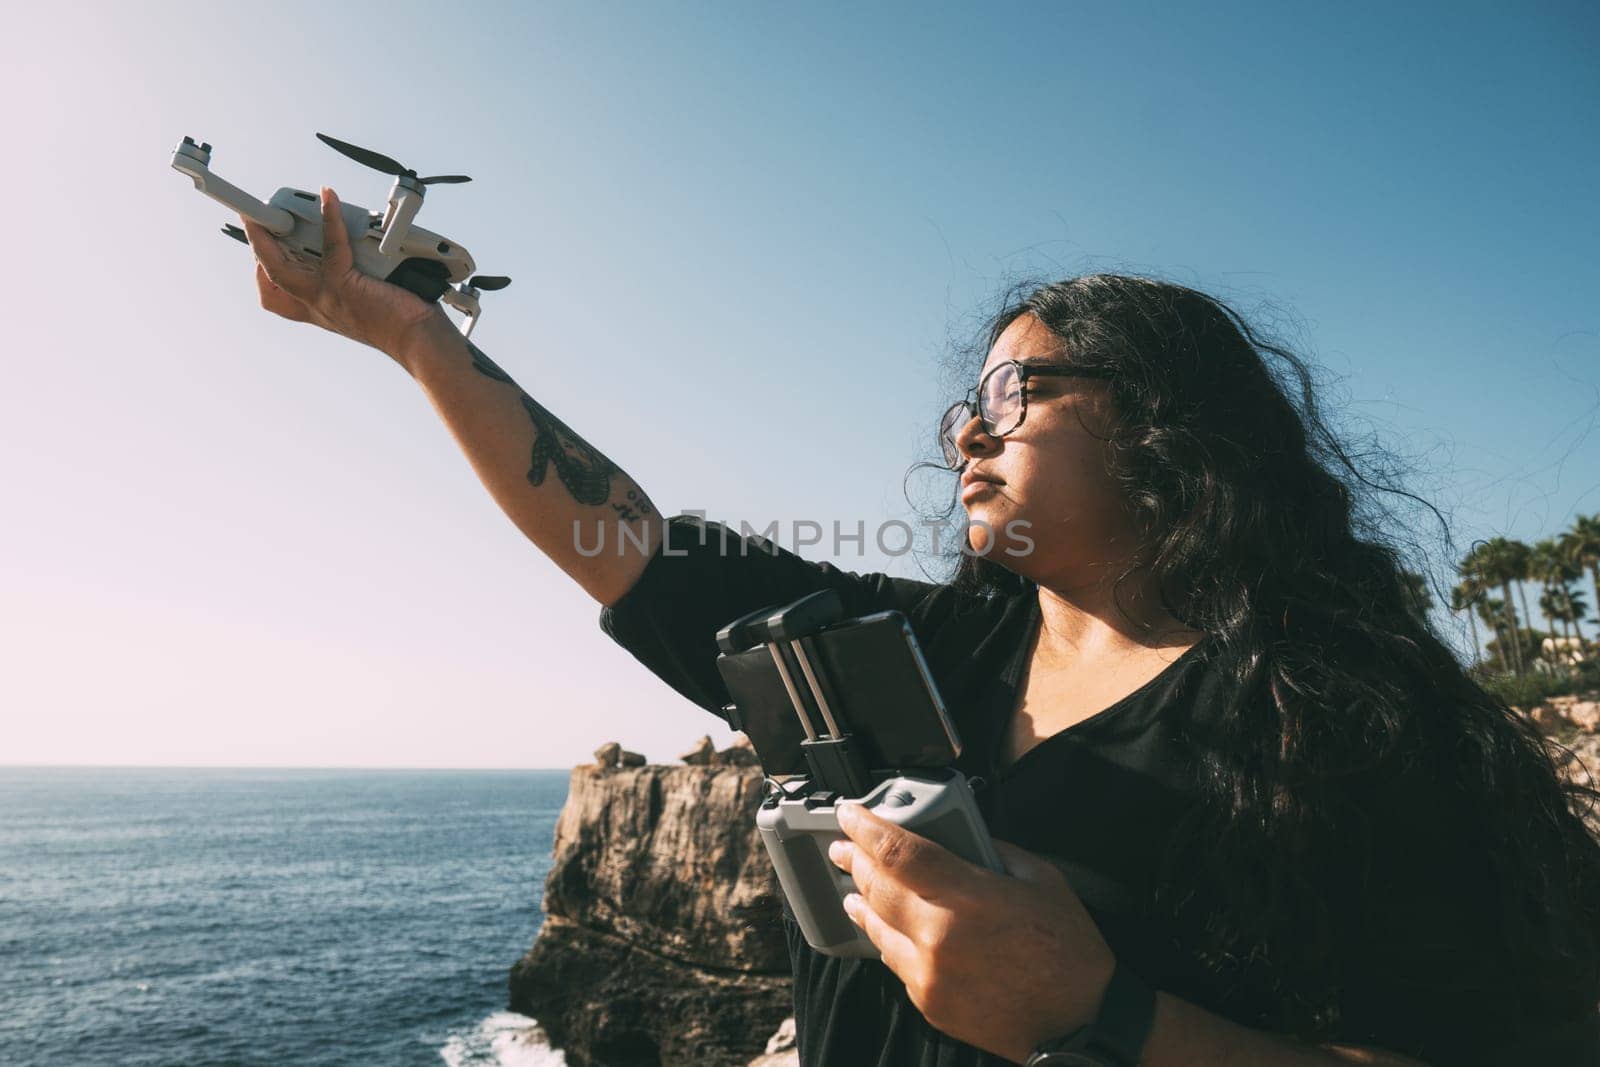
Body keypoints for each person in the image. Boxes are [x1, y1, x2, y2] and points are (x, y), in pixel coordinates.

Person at [240, 190, 1600, 1066]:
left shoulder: (1346, 721)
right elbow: (627, 545)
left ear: (1167, 422)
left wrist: (1109, 1016)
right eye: (967, 396)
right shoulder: (918, 653)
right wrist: (411, 336)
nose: (965, 425)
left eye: (1016, 389)